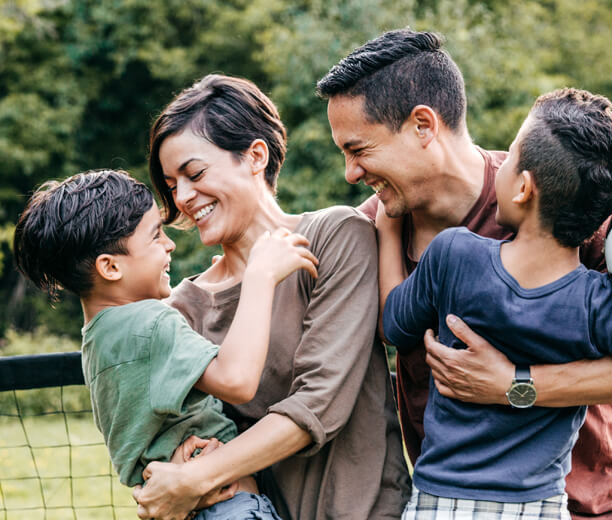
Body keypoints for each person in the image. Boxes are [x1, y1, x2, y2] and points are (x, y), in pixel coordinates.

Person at [317, 29, 612, 519]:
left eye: (359, 150)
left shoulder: (558, 199)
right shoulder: (372, 231)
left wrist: (517, 385)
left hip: (588, 509)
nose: (350, 173)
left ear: (423, 124)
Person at [378, 86, 612, 518]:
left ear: (523, 187)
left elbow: (394, 324)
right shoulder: (601, 306)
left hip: (439, 504)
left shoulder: (453, 255)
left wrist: (387, 228)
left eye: (510, 156)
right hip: (539, 508)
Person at [132, 74, 410, 520]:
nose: (182, 197)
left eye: (195, 173)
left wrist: (193, 480)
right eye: (171, 184)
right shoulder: (183, 309)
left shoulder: (335, 237)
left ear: (256, 156)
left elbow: (320, 401)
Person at [13, 169, 320, 519]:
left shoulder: (100, 337)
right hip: (227, 508)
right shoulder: (152, 324)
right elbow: (237, 380)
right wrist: (258, 278)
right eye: (156, 236)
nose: (170, 244)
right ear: (110, 267)